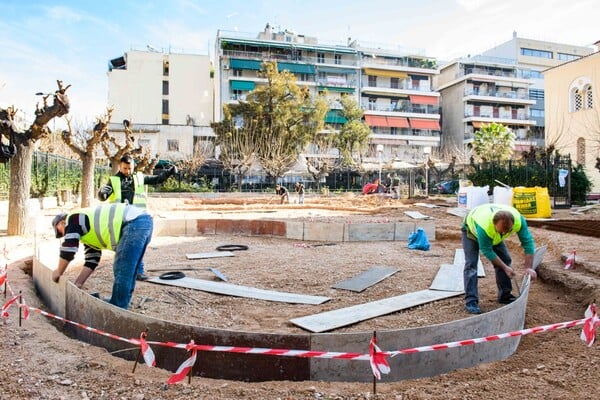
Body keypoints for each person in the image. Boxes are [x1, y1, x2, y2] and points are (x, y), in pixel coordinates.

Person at [51, 203, 153, 310]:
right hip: (141, 223)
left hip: (134, 223)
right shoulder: (87, 236)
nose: (64, 235)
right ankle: (120, 302)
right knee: (129, 269)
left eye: (60, 231)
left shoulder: (73, 219)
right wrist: (78, 284)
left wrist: (58, 272)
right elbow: (92, 260)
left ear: (62, 222)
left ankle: (118, 308)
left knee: (123, 268)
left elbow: (68, 250)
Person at [98, 154, 176, 281]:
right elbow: (103, 197)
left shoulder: (139, 177)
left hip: (137, 218)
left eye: (130, 168)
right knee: (121, 248)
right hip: (119, 219)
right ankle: (122, 273)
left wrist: (168, 173)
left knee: (137, 246)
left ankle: (139, 272)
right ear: (120, 167)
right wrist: (101, 193)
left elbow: (157, 179)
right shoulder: (113, 180)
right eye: (125, 168)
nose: (128, 171)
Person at [462, 203, 537, 314]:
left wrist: (529, 267)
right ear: (494, 223)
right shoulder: (485, 226)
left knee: (505, 260)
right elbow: (486, 250)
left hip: (492, 234)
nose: (503, 234)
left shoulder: (518, 221)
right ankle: (471, 301)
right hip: (471, 232)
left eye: (507, 231)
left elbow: (528, 243)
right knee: (471, 265)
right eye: (501, 231)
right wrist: (505, 268)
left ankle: (505, 296)